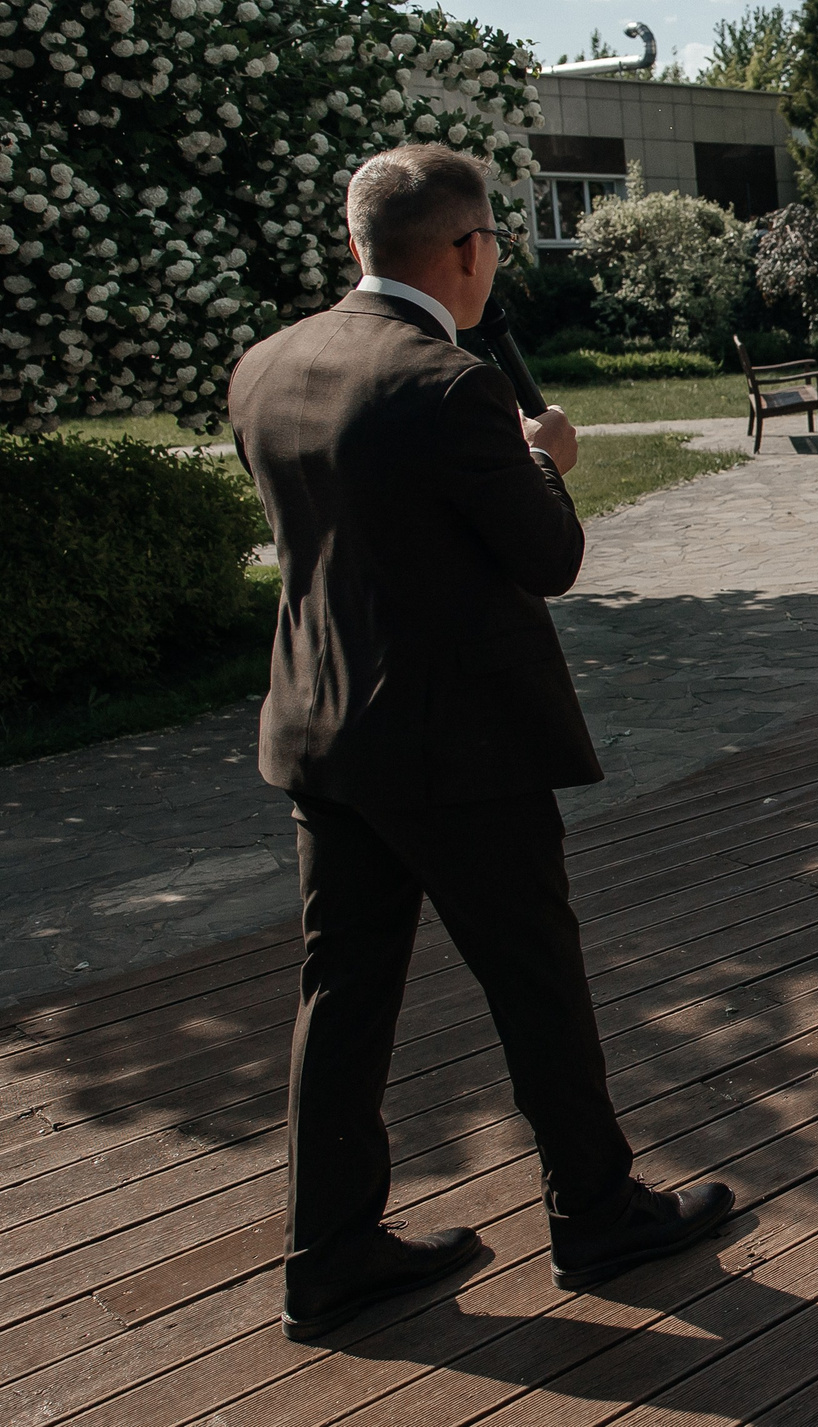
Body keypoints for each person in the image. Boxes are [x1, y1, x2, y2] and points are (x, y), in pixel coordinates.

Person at [227, 144, 733, 1342]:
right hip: (456, 751)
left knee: (341, 997)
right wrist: (544, 462)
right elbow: (548, 560)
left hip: (322, 734)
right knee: (535, 984)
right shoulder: (449, 386)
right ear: (466, 251)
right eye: (495, 239)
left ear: (359, 246)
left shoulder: (269, 364)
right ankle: (598, 1216)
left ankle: (332, 1253)